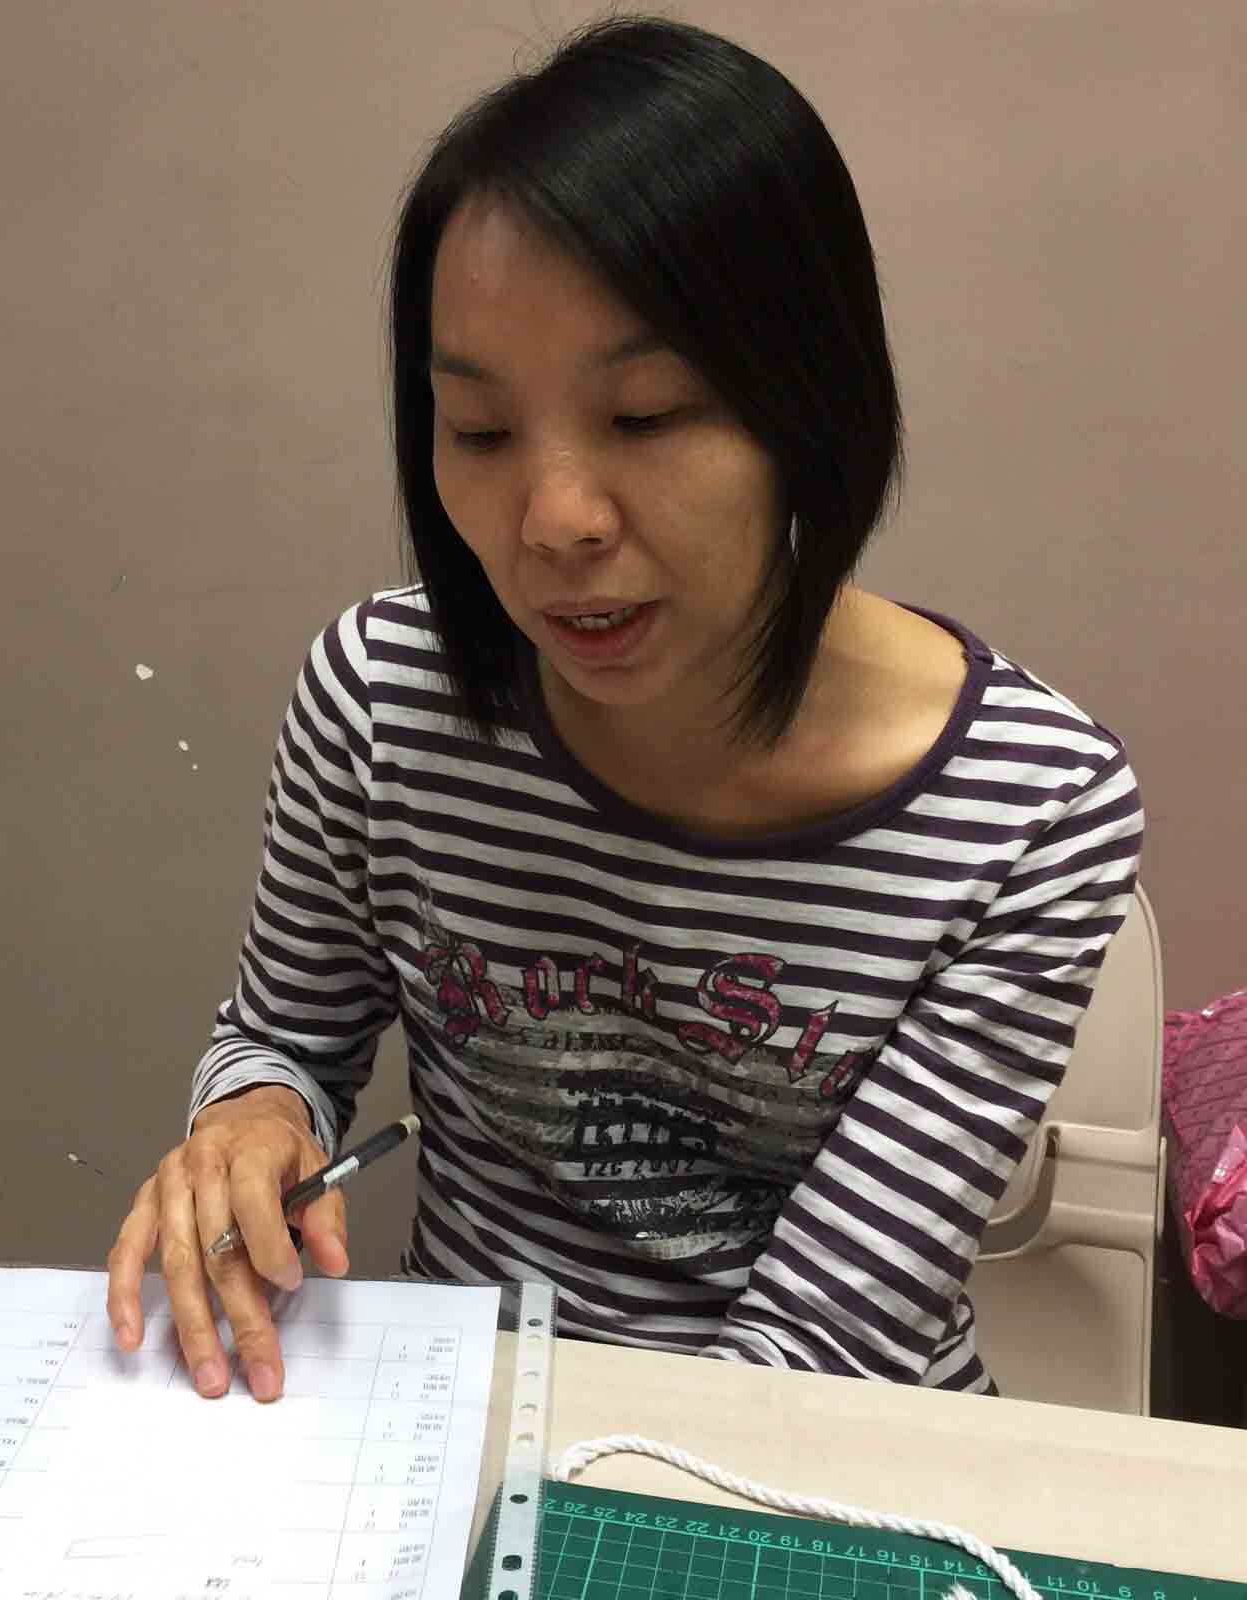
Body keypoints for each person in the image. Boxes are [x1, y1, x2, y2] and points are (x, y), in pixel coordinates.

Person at [106, 14, 1143, 1404]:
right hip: (458, 1419)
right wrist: (248, 1119)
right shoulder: (385, 698)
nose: (555, 521)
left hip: (809, 1440)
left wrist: (547, 1488)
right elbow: (286, 1035)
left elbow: (822, 1342)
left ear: (808, 406)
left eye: (646, 414)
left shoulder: (1029, 807)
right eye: (480, 431)